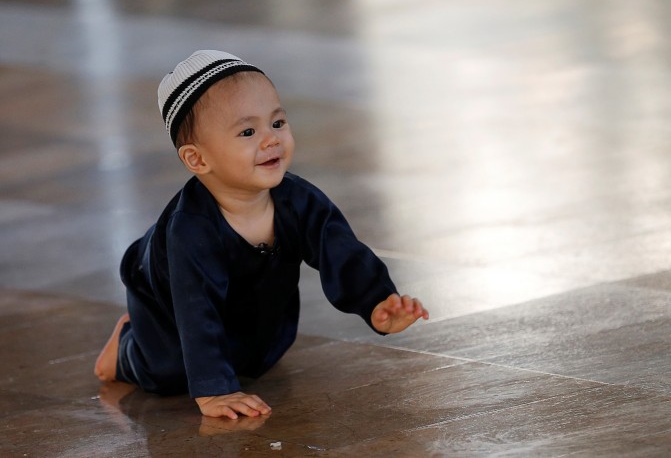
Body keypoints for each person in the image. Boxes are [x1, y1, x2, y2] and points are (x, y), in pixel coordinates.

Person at [94, 50, 429, 420]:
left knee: (258, 355)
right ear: (198, 159)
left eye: (278, 122)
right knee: (169, 369)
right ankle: (125, 349)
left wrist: (376, 301)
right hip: (165, 295)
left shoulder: (298, 200)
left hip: (245, 298)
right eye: (248, 132)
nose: (271, 140)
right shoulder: (190, 231)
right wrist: (215, 391)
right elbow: (196, 312)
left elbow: (340, 250)